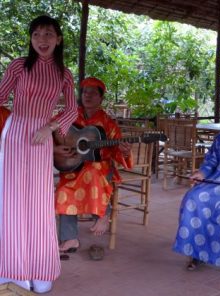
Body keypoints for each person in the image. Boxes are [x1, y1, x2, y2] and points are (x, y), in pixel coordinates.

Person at [0, 15, 77, 293]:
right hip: (15, 135)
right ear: (31, 40)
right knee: (12, 203)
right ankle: (12, 272)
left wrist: (50, 127)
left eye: (48, 34)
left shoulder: (64, 74)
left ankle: (41, 270)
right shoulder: (19, 66)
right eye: (36, 35)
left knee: (39, 203)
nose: (42, 40)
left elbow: (71, 110)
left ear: (58, 39)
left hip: (41, 139)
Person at [54, 77, 133, 254]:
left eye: (93, 92)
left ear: (101, 98)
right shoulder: (68, 116)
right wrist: (56, 148)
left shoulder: (108, 123)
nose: (87, 95)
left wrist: (125, 151)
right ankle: (70, 238)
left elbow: (117, 152)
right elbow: (50, 132)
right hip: (73, 166)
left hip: (100, 169)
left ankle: (102, 214)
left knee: (93, 170)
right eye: (84, 92)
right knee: (63, 191)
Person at [173, 89, 220, 271]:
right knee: (193, 198)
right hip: (219, 183)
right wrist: (202, 174)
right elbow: (211, 161)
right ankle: (198, 252)